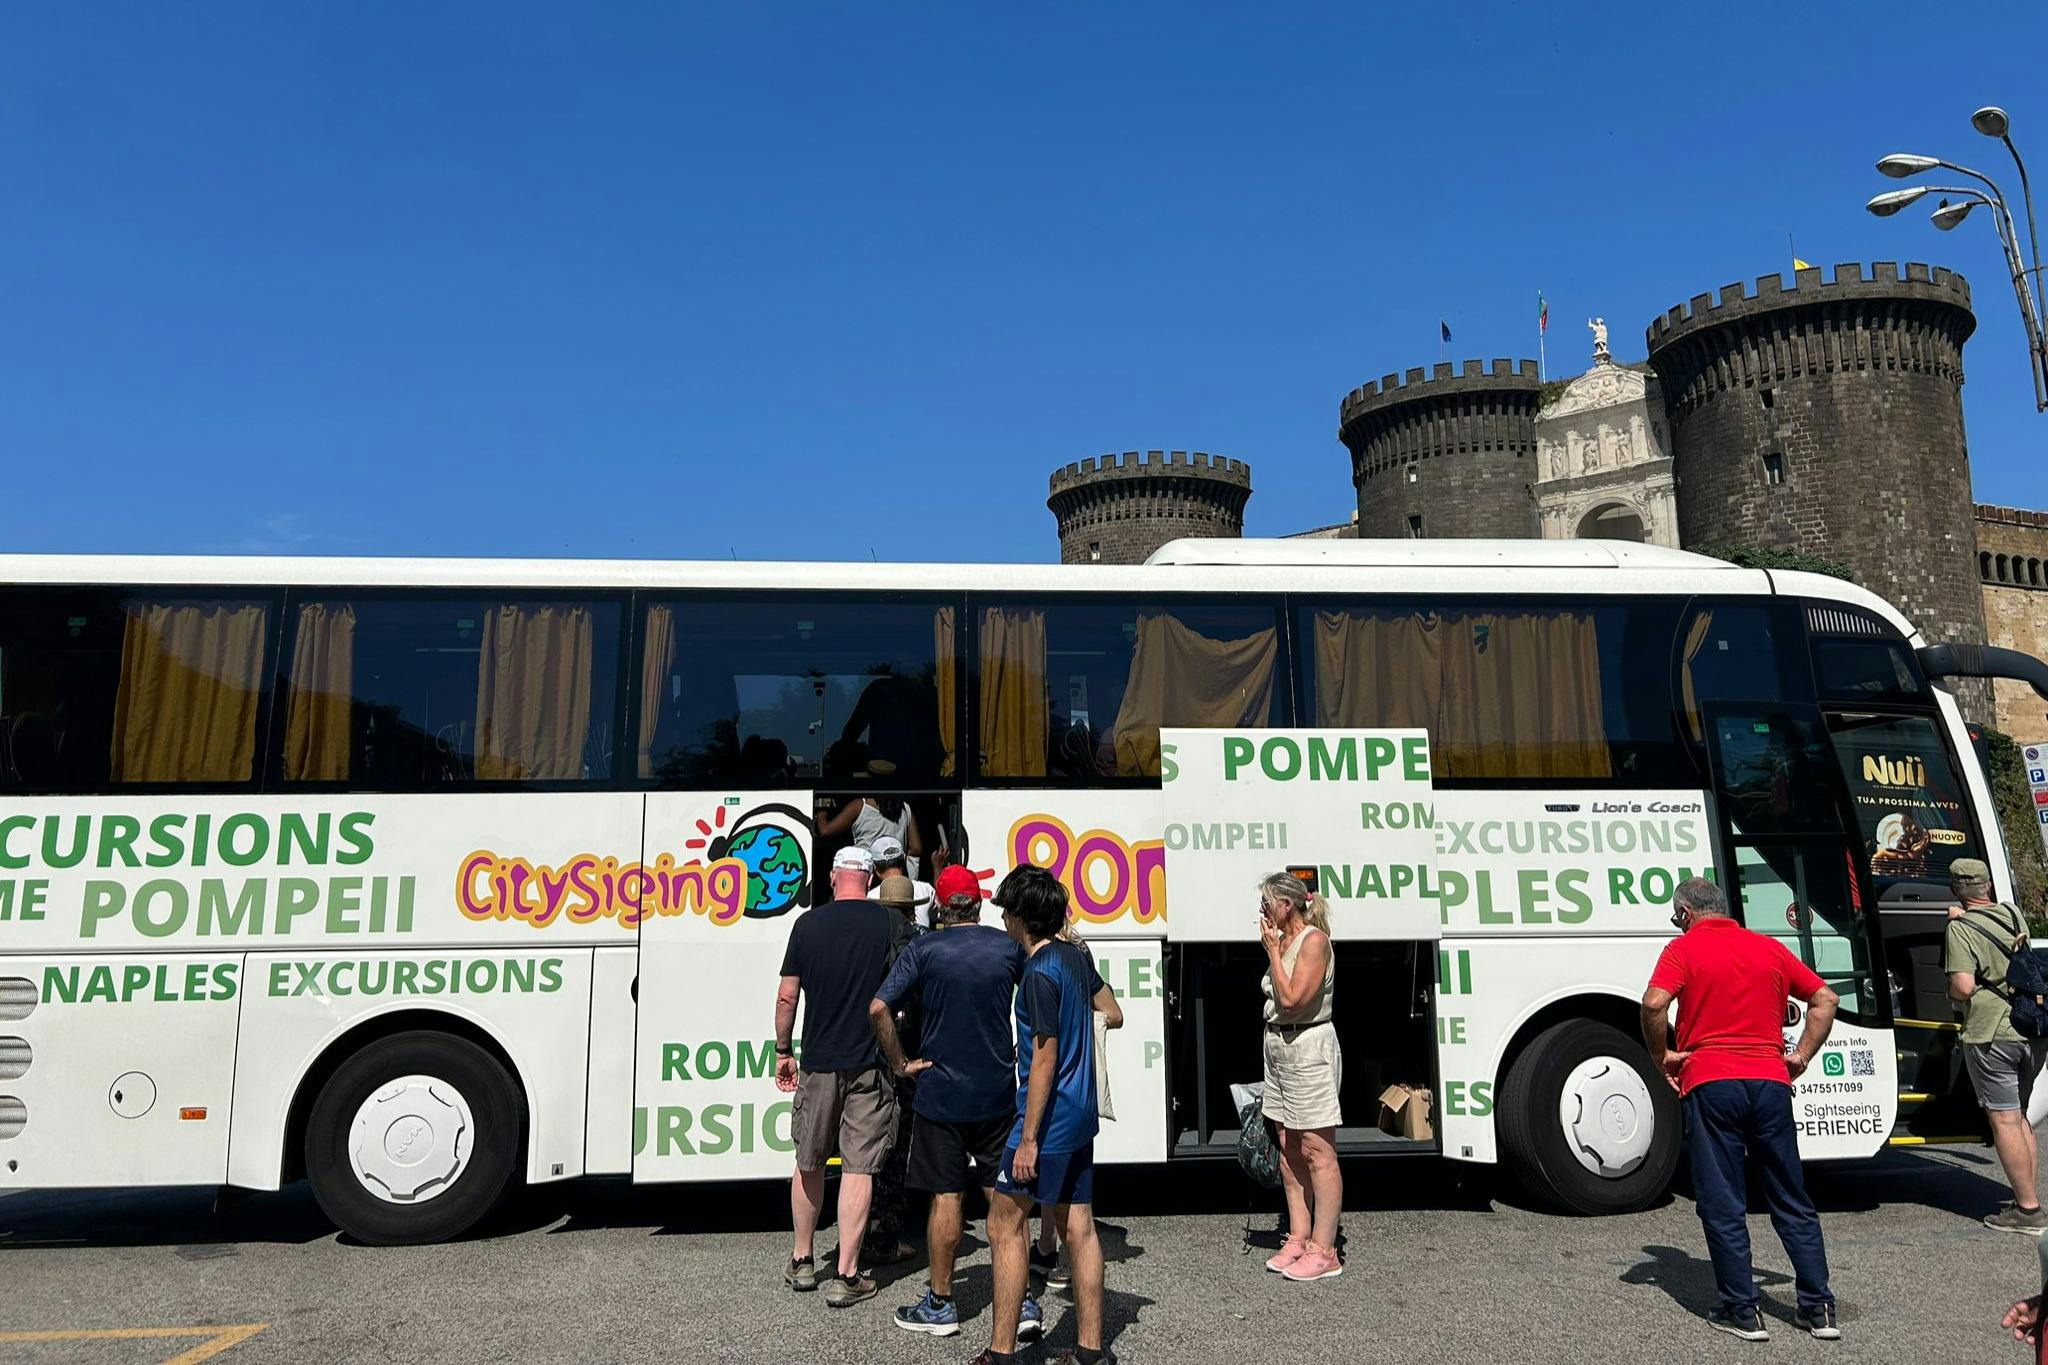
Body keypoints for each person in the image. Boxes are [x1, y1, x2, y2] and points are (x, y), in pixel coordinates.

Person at [1640, 877, 1842, 1342]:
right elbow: (1825, 999)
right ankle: (1819, 1308)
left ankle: (1742, 1310)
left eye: (1676, 918)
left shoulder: (1682, 949)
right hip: (1770, 1082)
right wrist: (1801, 1056)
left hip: (1712, 1082)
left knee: (1722, 1200)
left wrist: (1661, 1056)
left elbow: (1653, 1004)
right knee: (1790, 1195)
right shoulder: (1768, 948)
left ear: (1685, 914)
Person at [871, 864, 1037, 1340]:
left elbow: (878, 1008)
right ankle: (1023, 1301)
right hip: (996, 1093)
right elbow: (1037, 998)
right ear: (980, 904)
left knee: (946, 1196)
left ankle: (941, 1305)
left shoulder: (924, 949)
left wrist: (901, 1063)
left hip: (940, 1095)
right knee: (1004, 1198)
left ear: (941, 907)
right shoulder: (1008, 948)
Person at [978, 864, 1121, 1365]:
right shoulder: (1074, 958)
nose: (1002, 918)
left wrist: (1029, 1139)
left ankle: (1001, 1353)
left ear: (1022, 916)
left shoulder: (1038, 972)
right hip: (1080, 1114)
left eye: (1006, 910)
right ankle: (1090, 1352)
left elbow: (1044, 1058)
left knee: (1003, 1225)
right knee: (1080, 1227)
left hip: (1048, 1120)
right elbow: (1113, 1012)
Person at [775, 844, 910, 1308]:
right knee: (858, 1167)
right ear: (870, 881)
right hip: (869, 1062)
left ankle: (803, 1260)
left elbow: (787, 997)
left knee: (809, 1159)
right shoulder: (887, 923)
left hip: (818, 1062)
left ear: (833, 877)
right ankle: (847, 1274)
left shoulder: (806, 925)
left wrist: (783, 1051)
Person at [1944, 856, 2048, 1234]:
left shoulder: (1960, 929)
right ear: (1986, 885)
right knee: (2020, 1117)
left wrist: (1955, 926)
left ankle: (2028, 1210)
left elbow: (1963, 986)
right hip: (2031, 1028)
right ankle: (2028, 1200)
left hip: (1992, 1033)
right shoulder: (2014, 914)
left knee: (2004, 1120)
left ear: (1956, 890)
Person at [1256, 870, 1343, 1282]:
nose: (1262, 909)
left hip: (1307, 1047)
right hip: (1278, 1046)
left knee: (1317, 1151)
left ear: (1286, 905)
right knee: (1288, 1148)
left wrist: (1273, 952)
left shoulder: (1313, 942)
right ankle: (1299, 1237)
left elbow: (1291, 999)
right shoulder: (1286, 940)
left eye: (1267, 902)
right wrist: (1276, 948)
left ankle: (1325, 1251)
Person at [860, 874, 926, 1270]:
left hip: (869, 1050)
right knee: (898, 1144)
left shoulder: (867, 937)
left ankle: (863, 1228)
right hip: (907, 1048)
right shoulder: (917, 939)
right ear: (910, 909)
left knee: (867, 1141)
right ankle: (887, 1234)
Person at [820, 793, 924, 878]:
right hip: (892, 874)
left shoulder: (859, 806)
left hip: (863, 871)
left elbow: (825, 831)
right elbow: (916, 848)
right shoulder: (905, 808)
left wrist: (821, 815)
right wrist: (893, 856)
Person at [867, 834, 935, 923]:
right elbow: (941, 917)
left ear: (874, 867)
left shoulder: (869, 900)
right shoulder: (926, 890)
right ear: (904, 859)